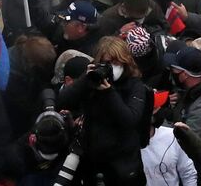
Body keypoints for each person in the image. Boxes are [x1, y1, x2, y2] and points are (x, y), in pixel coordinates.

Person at [54, 36, 152, 186]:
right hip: (93, 162)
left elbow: (130, 119)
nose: (111, 67)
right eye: (106, 63)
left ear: (125, 62)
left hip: (122, 166)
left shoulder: (135, 86)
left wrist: (109, 93)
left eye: (116, 62)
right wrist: (84, 80)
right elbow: (62, 102)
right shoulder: (92, 81)